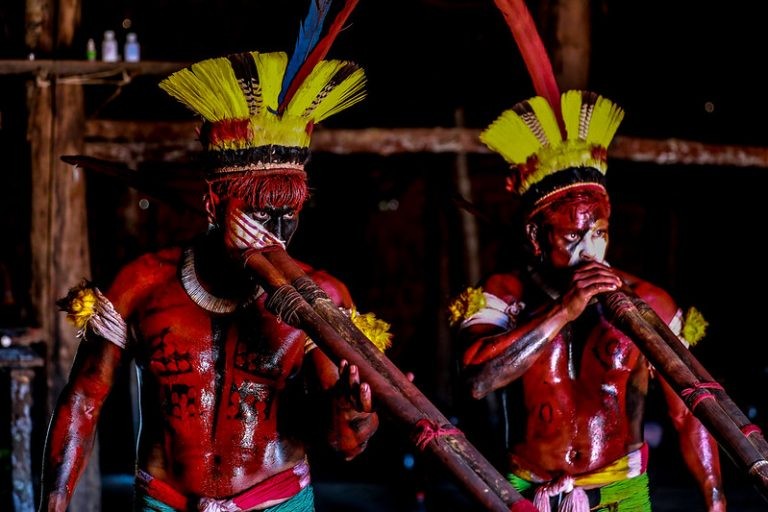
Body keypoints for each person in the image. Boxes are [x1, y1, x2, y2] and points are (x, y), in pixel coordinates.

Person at [38, 4, 388, 511]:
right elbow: (85, 398)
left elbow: (344, 446)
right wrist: (55, 498)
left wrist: (355, 413)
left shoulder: (323, 299)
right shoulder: (141, 284)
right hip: (165, 501)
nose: (274, 232)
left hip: (276, 501)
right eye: (257, 212)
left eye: (287, 214)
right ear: (212, 204)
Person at [450, 87, 726, 511]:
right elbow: (477, 381)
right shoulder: (502, 295)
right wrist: (564, 310)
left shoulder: (649, 301)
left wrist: (714, 497)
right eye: (573, 236)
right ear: (536, 237)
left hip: (621, 492)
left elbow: (689, 412)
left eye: (598, 233)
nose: (589, 250)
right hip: (527, 493)